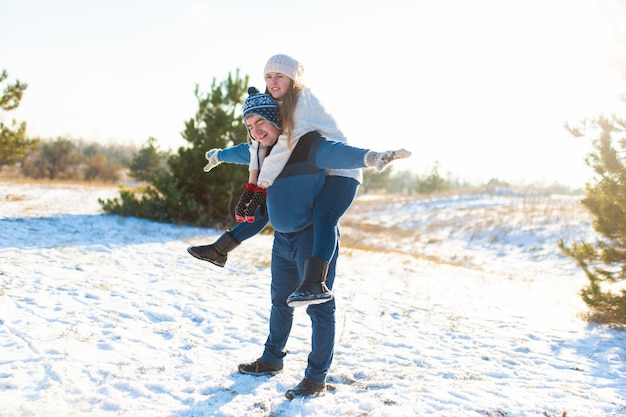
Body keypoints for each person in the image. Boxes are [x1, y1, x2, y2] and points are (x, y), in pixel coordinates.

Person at [205, 88, 408, 399]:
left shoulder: (305, 145)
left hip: (312, 238)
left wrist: (372, 157)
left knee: (319, 309)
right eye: (249, 126)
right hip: (282, 241)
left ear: (277, 119)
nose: (256, 130)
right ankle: (272, 359)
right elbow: (238, 152)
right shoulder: (260, 152)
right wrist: (218, 155)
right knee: (279, 303)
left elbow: (339, 153)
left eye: (261, 122)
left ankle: (316, 378)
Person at [188, 54, 410, 308]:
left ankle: (315, 282)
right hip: (316, 166)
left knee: (324, 215)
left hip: (340, 168)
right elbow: (252, 148)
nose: (273, 82)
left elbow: (298, 146)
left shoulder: (302, 103)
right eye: (268, 77)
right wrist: (220, 155)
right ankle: (220, 249)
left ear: (293, 79)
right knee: (268, 206)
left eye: (279, 76)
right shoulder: (277, 105)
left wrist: (371, 157)